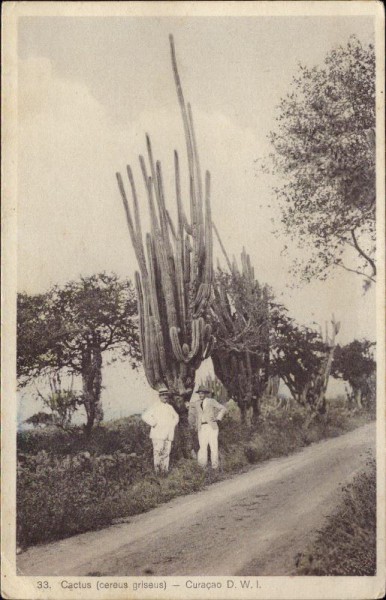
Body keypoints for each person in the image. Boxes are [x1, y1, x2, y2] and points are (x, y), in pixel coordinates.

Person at [141, 388, 179, 474]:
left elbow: (176, 417)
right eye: (163, 395)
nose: (165, 396)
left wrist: (172, 424)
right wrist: (153, 423)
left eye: (166, 395)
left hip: (168, 434)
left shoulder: (170, 407)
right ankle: (158, 472)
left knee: (166, 453)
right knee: (158, 453)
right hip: (158, 434)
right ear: (159, 396)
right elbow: (144, 416)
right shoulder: (155, 406)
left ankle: (165, 471)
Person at [188, 385, 226, 469]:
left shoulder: (211, 401)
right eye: (199, 393)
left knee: (213, 446)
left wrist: (218, 418)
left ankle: (215, 467)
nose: (200, 395)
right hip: (201, 427)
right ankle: (202, 467)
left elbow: (223, 408)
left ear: (206, 394)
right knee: (202, 447)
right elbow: (190, 407)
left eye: (202, 393)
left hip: (211, 426)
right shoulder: (197, 403)